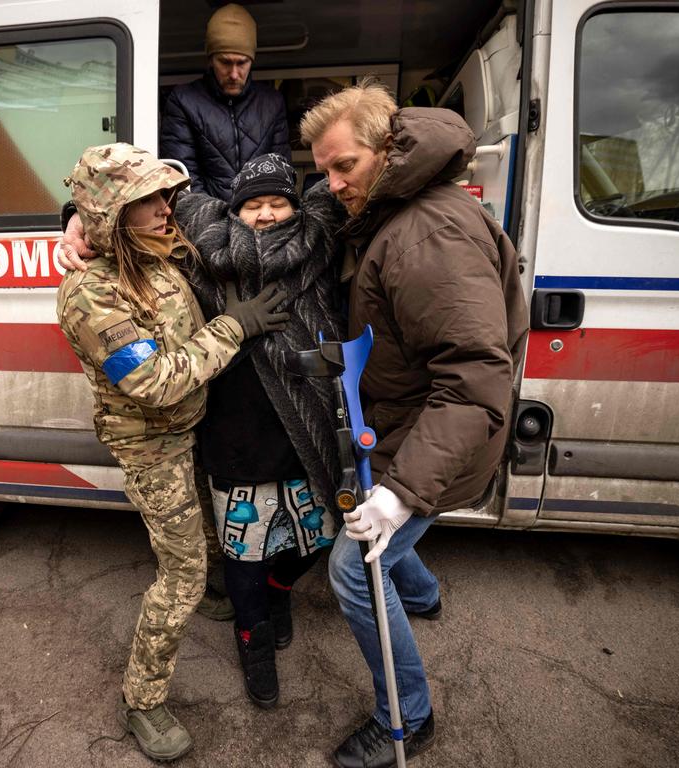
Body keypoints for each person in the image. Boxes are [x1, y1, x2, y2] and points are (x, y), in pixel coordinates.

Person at [299, 85, 529, 767]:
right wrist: (85, 220)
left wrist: (399, 495)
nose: (331, 185)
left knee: (355, 568)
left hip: (438, 439)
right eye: (323, 170)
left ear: (388, 150)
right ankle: (423, 595)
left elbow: (474, 380)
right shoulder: (395, 205)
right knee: (385, 547)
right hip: (413, 426)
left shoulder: (426, 233)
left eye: (343, 167)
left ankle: (411, 714)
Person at [56, 142, 289, 762]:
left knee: (206, 529)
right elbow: (156, 383)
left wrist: (73, 219)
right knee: (180, 571)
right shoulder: (91, 295)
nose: (168, 208)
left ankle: (210, 591)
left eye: (165, 194)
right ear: (114, 216)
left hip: (193, 427)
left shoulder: (156, 250)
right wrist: (234, 327)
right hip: (150, 441)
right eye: (148, 200)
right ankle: (143, 699)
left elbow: (227, 217)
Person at [178, 154, 345, 708]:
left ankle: (280, 594)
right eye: (254, 204)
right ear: (235, 209)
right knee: (244, 550)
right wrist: (74, 216)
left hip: (306, 428)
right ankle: (252, 641)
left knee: (314, 536)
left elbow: (356, 171)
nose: (268, 215)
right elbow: (145, 199)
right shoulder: (207, 246)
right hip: (236, 430)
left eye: (278, 202)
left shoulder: (319, 235)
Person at [160, 3, 290, 202]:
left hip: (260, 219)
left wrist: (257, 215)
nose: (234, 74)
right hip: (204, 222)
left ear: (252, 61)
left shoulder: (272, 102)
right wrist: (216, 222)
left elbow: (280, 172)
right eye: (225, 62)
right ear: (211, 59)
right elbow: (184, 177)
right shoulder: (183, 100)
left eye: (242, 63)